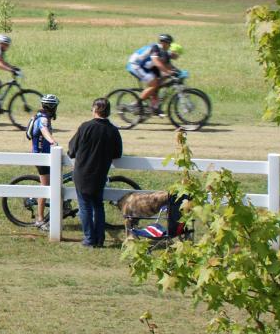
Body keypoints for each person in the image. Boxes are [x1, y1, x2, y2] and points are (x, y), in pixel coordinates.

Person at [67, 97, 124, 248]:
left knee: (84, 206)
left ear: (95, 110)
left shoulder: (85, 127)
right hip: (100, 174)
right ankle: (99, 239)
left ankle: (89, 239)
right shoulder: (112, 130)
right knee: (98, 206)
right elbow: (117, 154)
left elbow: (71, 150)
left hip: (82, 173)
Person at [26, 94, 60, 230]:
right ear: (52, 107)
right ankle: (40, 219)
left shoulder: (41, 116)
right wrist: (52, 141)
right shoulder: (43, 119)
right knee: (46, 187)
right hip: (41, 156)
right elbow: (44, 130)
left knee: (53, 182)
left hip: (44, 155)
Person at [126, 33, 176, 115]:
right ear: (164, 43)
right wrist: (168, 72)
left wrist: (178, 72)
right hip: (135, 65)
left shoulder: (164, 52)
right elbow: (156, 62)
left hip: (145, 66)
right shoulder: (155, 48)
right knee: (154, 84)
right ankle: (136, 104)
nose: (170, 46)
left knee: (160, 81)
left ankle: (154, 107)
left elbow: (168, 65)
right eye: (169, 43)